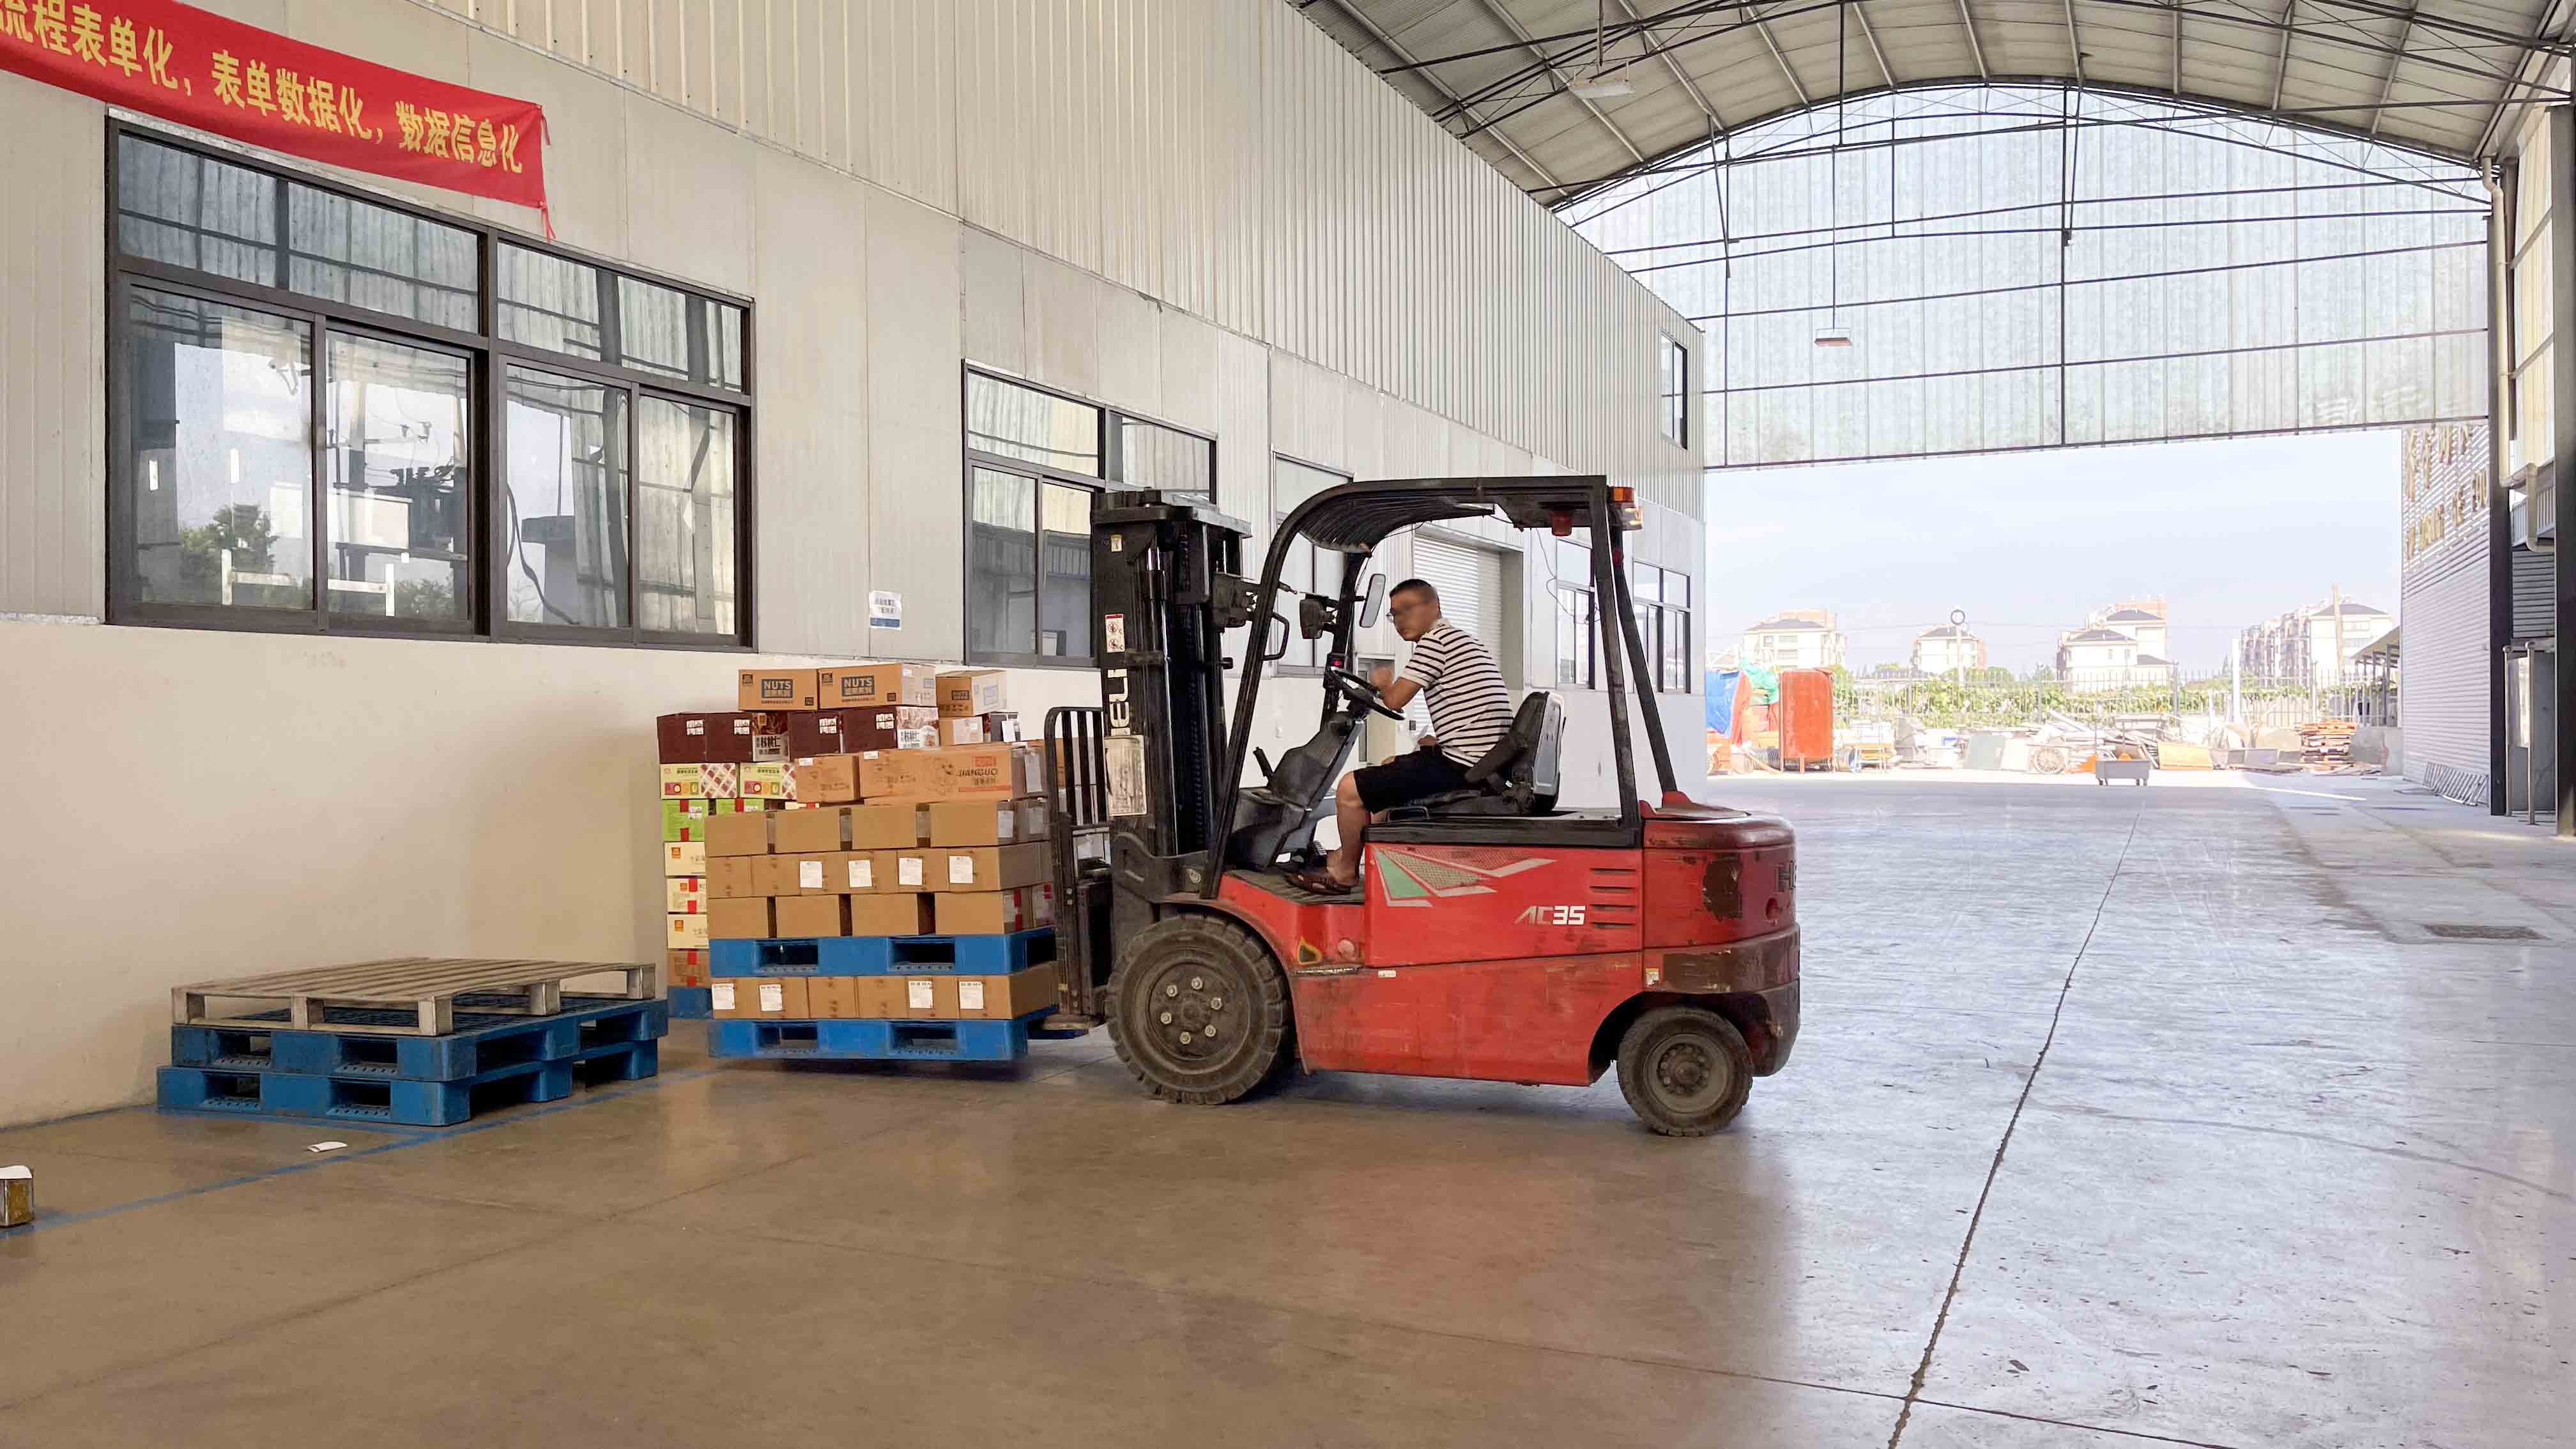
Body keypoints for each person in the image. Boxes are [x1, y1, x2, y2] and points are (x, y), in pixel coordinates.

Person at [1295, 578, 1512, 891]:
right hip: (1480, 759)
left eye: (1407, 609)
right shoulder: (1462, 639)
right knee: (1389, 766)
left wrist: (1383, 682)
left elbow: (1396, 700)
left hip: (1465, 764)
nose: (1399, 620)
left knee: (1349, 789)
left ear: (1434, 607)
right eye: (1394, 614)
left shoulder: (1435, 642)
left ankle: (1344, 872)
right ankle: (1351, 855)